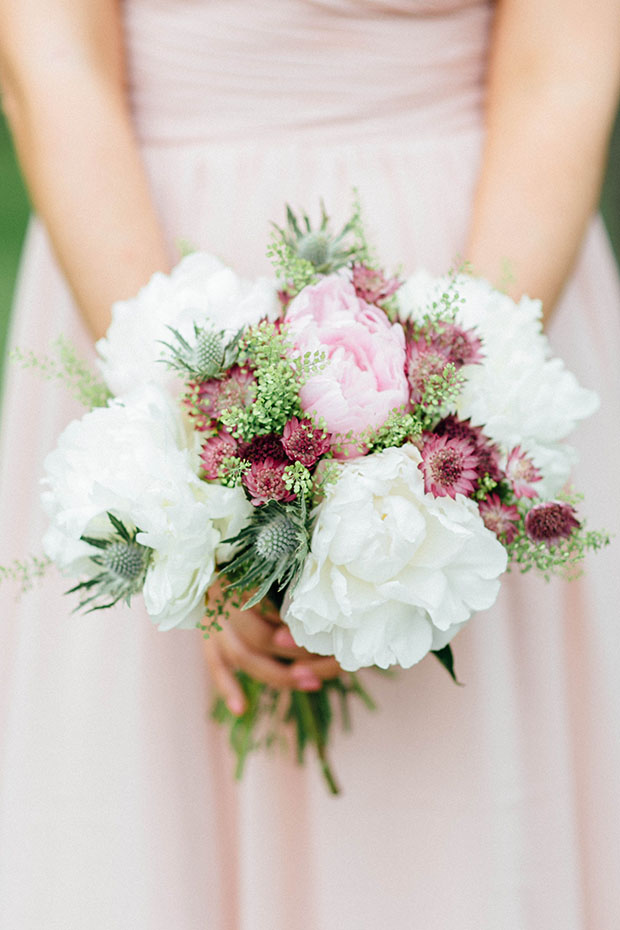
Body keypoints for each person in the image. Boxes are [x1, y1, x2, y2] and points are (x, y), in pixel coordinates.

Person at [0, 1, 619, 927]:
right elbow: (52, 64)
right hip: (138, 273)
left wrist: (443, 427)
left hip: (483, 272)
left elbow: (562, 63)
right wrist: (188, 466)